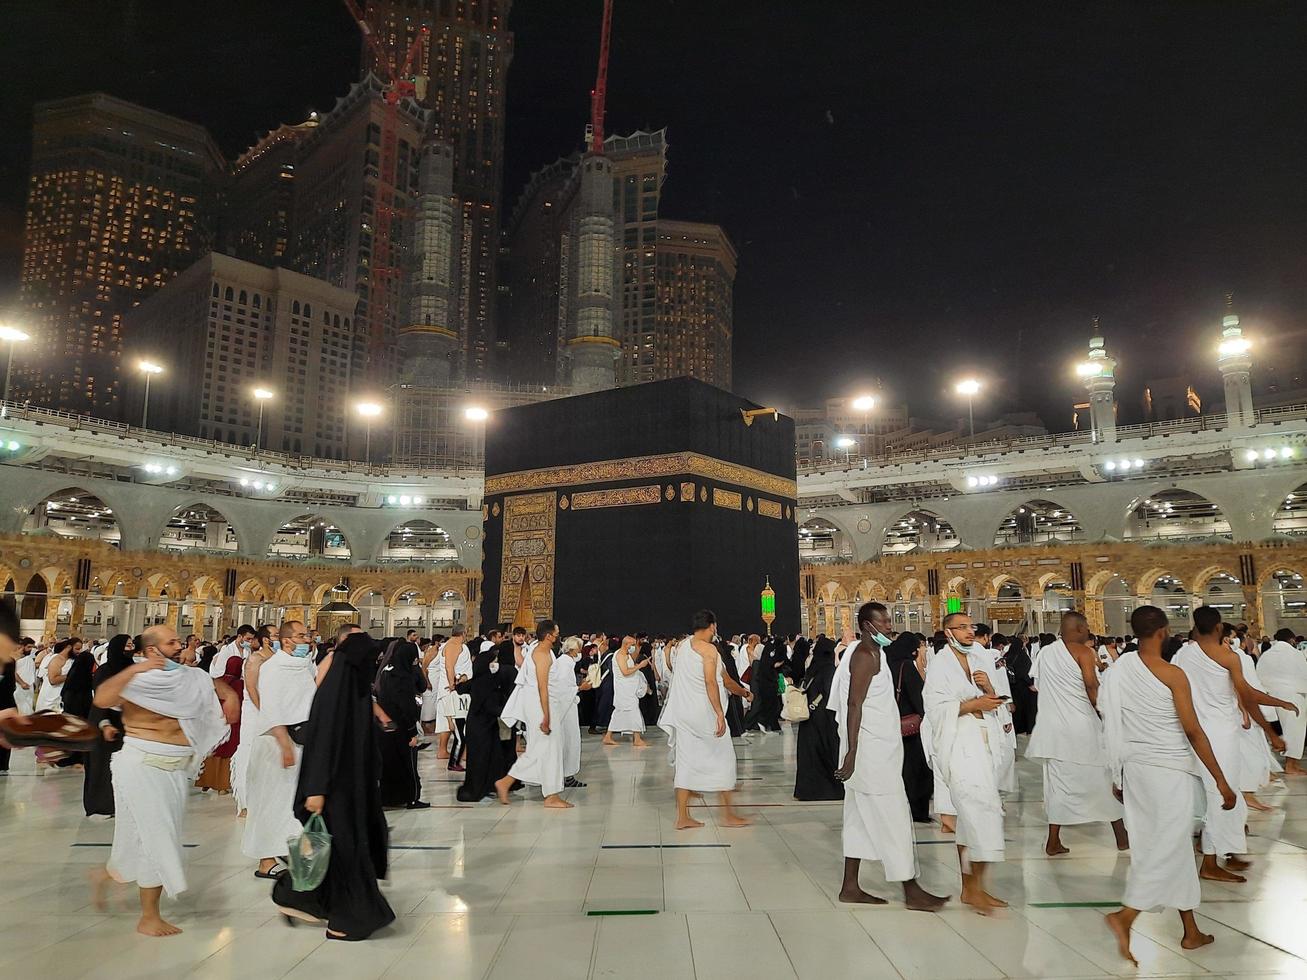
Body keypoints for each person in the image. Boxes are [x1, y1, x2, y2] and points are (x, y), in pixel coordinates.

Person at [1101, 606, 1236, 965]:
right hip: (1168, 772)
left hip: (1136, 770)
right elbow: (1193, 730)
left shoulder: (1119, 671)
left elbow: (1111, 721)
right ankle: (1126, 915)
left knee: (1165, 846)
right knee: (1167, 845)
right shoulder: (1172, 674)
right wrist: (1221, 780)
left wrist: (1117, 773)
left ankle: (1191, 931)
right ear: (1162, 631)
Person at [91, 624, 235, 936]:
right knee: (159, 837)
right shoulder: (134, 679)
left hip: (175, 768)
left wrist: (229, 696)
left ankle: (108, 874)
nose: (180, 647)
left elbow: (221, 693)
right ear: (153, 649)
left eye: (179, 642)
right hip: (141, 764)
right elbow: (102, 699)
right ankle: (149, 917)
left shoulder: (191, 677)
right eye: (172, 642)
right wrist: (135, 670)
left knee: (141, 836)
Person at [272, 631, 395, 941]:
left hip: (351, 787)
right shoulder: (334, 695)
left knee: (346, 851)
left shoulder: (354, 693)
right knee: (345, 852)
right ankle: (345, 920)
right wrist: (315, 790)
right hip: (331, 789)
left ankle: (298, 897)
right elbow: (323, 743)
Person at [833, 602, 948, 910]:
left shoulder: (877, 654)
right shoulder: (865, 656)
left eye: (887, 619)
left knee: (857, 819)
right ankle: (911, 889)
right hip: (869, 754)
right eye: (881, 621)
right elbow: (853, 705)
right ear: (866, 626)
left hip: (878, 748)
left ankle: (849, 886)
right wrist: (852, 753)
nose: (888, 625)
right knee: (894, 816)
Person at [1174, 606, 1296, 883]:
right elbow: (1248, 696)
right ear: (1218, 628)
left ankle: (1228, 851)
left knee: (1226, 795)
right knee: (1224, 795)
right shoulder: (1228, 657)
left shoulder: (1183, 655)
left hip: (1193, 733)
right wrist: (1273, 723)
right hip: (1220, 736)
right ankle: (1209, 861)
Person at [922, 611, 1011, 911]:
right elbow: (935, 709)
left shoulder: (978, 661)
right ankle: (972, 888)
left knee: (982, 815)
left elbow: (995, 702)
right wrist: (974, 703)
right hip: (960, 745)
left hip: (983, 741)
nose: (969, 632)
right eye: (961, 628)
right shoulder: (940, 666)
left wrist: (988, 690)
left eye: (970, 627)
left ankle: (973, 887)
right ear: (947, 633)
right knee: (976, 812)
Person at [1025, 612, 1128, 855]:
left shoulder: (1046, 653)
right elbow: (1091, 686)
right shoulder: (1084, 652)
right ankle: (1121, 836)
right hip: (1081, 726)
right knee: (1104, 777)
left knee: (1058, 785)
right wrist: (1105, 711)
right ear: (1080, 629)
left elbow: (1038, 684)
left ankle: (1053, 841)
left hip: (1053, 729)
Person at [658, 609, 749, 830]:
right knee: (725, 760)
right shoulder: (709, 650)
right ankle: (728, 815)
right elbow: (712, 681)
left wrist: (744, 692)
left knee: (685, 764)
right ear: (712, 626)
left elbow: (725, 680)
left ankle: (682, 817)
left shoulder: (683, 646)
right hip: (705, 715)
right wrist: (719, 713)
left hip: (684, 715)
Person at [242, 621, 317, 880]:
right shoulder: (272, 668)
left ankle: (291, 852)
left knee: (289, 804)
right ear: (286, 642)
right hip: (276, 744)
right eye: (300, 636)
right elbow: (271, 708)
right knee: (270, 804)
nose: (306, 639)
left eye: (306, 635)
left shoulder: (303, 665)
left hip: (298, 742)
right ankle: (265, 861)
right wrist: (284, 744)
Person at [496, 621, 573, 808]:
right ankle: (548, 795)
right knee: (545, 748)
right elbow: (542, 687)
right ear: (549, 636)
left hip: (542, 705)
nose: (558, 637)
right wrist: (546, 717)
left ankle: (547, 792)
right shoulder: (541, 655)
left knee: (546, 750)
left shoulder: (543, 651)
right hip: (541, 707)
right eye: (557, 634)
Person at [457, 632, 515, 802]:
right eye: (493, 661)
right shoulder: (482, 683)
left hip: (487, 727)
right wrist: (508, 711)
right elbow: (490, 706)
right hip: (480, 728)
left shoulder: (484, 680)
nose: (495, 664)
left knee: (492, 757)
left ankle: (490, 784)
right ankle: (479, 787)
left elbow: (462, 688)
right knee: (480, 759)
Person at [83, 634, 134, 816]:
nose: (131, 649)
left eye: (132, 645)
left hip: (126, 724)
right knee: (101, 766)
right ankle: (101, 806)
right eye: (127, 646)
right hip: (104, 722)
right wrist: (104, 723)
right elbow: (100, 698)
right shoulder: (105, 671)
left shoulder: (133, 669)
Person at [375, 639, 428, 808]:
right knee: (408, 763)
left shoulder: (385, 671)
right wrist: (412, 732)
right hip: (403, 726)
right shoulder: (403, 677)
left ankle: (389, 797)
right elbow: (407, 706)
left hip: (387, 725)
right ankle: (411, 797)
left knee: (390, 762)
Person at [887, 632, 933, 822]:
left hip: (891, 723)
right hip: (911, 728)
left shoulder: (888, 665)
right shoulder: (907, 667)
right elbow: (917, 697)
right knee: (917, 770)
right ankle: (918, 811)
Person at [793, 636, 843, 801]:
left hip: (810, 716)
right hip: (824, 717)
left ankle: (807, 790)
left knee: (810, 754)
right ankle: (829, 789)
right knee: (827, 750)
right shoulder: (828, 668)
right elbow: (829, 691)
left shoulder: (813, 667)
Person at [196, 635, 244, 794]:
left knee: (214, 750)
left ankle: (206, 781)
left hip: (215, 720)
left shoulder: (218, 680)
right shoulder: (239, 684)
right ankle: (222, 785)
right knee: (227, 752)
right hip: (233, 722)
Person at [1257, 628, 1307, 776]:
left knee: (1285, 729)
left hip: (1272, 695)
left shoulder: (1267, 655)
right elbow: (1303, 674)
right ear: (1291, 640)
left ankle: (1292, 763)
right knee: (1295, 730)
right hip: (1293, 695)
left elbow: (1260, 673)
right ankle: (1291, 765)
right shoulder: (1295, 654)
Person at [604, 634, 650, 746]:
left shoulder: (627, 654)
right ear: (627, 644)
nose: (634, 646)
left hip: (628, 688)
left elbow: (630, 668)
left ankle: (608, 736)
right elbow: (625, 672)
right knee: (632, 709)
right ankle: (637, 738)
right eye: (633, 645)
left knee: (620, 712)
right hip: (624, 690)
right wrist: (640, 666)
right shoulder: (620, 655)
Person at [741, 635, 785, 733]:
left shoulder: (746, 649)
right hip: (758, 679)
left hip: (755, 678)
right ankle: (748, 724)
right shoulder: (754, 650)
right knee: (758, 703)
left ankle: (756, 723)